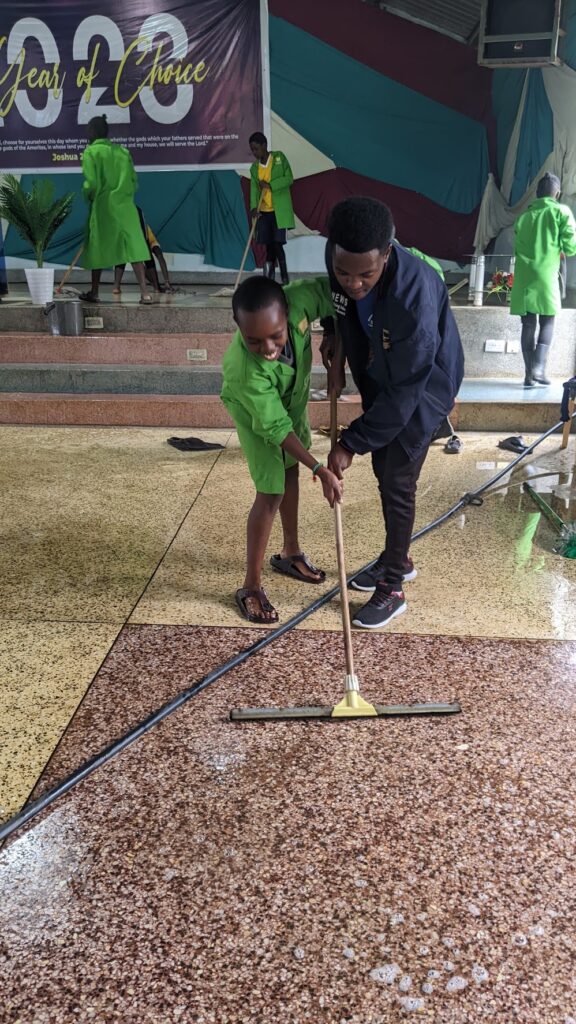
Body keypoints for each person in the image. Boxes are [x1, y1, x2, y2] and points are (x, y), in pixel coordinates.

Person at [320, 196, 464, 629]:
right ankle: (395, 556)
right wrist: (334, 336)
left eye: (366, 274)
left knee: (397, 477)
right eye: (344, 272)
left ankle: (395, 583)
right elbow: (342, 305)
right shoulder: (341, 259)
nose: (353, 282)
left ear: (388, 253)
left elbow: (406, 389)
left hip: (423, 386)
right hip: (382, 372)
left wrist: (350, 442)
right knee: (386, 469)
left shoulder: (412, 294)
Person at [221, 275, 342, 624]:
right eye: (254, 341)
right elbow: (275, 428)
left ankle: (290, 553)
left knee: (291, 469)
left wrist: (336, 340)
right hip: (255, 411)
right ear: (239, 328)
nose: (270, 348)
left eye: (277, 335)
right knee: (271, 491)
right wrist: (319, 468)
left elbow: (336, 296)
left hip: (292, 399)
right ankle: (251, 586)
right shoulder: (244, 370)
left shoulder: (301, 299)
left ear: (287, 313)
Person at [510, 172, 576, 387]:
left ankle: (529, 374)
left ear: (537, 194)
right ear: (557, 193)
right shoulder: (561, 212)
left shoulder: (524, 216)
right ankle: (539, 369)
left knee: (528, 324)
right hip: (547, 275)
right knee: (548, 319)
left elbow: (518, 243)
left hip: (524, 276)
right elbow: (571, 246)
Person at [80, 115, 153, 304]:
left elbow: (92, 183)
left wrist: (87, 195)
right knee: (133, 247)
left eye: (88, 129)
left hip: (104, 207)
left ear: (93, 132)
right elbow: (134, 181)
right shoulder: (122, 152)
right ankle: (145, 293)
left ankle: (94, 292)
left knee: (97, 246)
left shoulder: (91, 152)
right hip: (125, 207)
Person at [249, 132, 295, 284]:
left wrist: (270, 185)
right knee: (269, 245)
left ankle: (284, 276)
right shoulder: (254, 168)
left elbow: (289, 178)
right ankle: (269, 279)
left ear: (264, 146)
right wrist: (254, 208)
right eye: (252, 150)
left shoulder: (279, 158)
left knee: (276, 243)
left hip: (279, 211)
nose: (254, 153)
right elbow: (254, 190)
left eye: (256, 149)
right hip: (264, 213)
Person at [113, 208, 174, 295]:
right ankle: (155, 287)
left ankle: (116, 286)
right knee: (143, 263)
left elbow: (160, 258)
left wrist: (166, 282)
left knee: (145, 261)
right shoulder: (138, 218)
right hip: (141, 238)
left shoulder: (152, 241)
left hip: (144, 239)